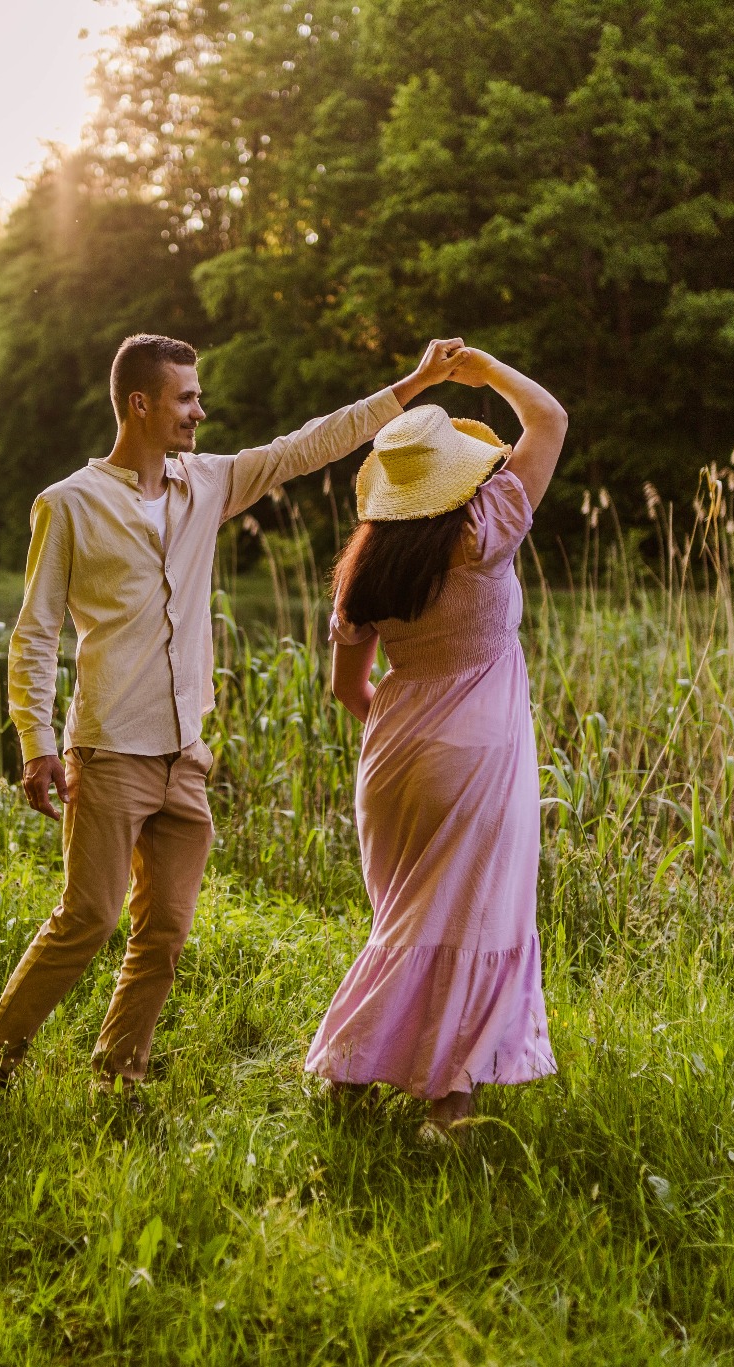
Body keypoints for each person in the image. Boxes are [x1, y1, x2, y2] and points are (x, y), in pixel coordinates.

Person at [0, 331, 473, 1105]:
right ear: (141, 404)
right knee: (87, 917)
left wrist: (412, 386)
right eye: (186, 398)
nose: (200, 411)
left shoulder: (208, 483)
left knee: (163, 933)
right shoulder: (68, 504)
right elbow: (36, 633)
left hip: (185, 756)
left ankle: (118, 1079)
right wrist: (36, 741)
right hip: (109, 750)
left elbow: (306, 446)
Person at [304, 348, 568, 1139]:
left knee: (407, 922)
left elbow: (348, 689)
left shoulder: (363, 569)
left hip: (390, 756)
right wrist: (484, 369)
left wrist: (412, 732)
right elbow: (550, 418)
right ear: (457, 475)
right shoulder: (489, 528)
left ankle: (353, 1077)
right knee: (477, 919)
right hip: (477, 752)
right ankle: (448, 1102)